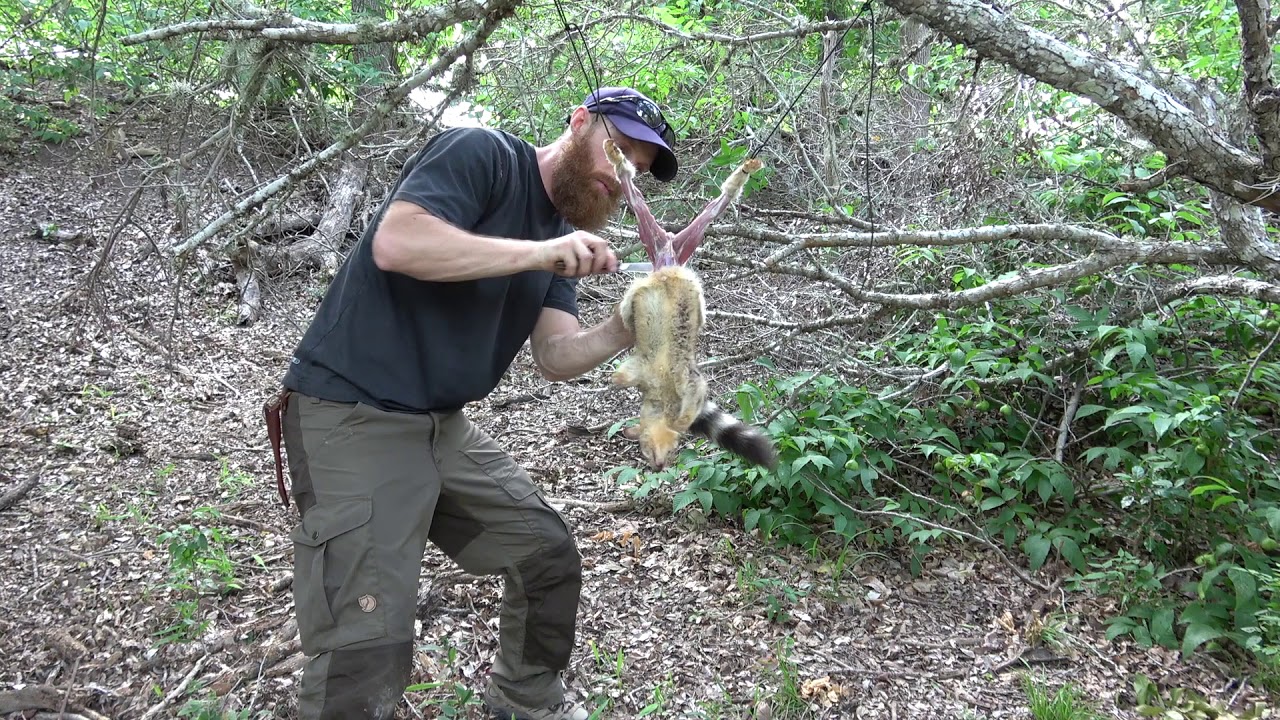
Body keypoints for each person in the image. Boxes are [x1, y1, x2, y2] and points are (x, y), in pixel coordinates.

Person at [272, 86, 679, 720]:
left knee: (546, 556)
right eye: (617, 151)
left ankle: (524, 702)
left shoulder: (557, 233)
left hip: (440, 427)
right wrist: (540, 253)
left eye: (637, 174)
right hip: (349, 413)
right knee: (367, 641)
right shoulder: (483, 153)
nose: (620, 178)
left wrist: (630, 323)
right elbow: (398, 242)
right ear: (578, 123)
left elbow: (556, 356)